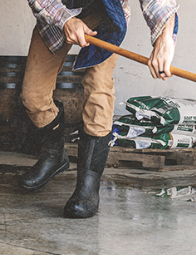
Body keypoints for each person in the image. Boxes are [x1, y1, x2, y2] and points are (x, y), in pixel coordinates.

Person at [17, 0, 179, 218]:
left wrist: (165, 38)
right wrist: (65, 20)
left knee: (98, 89)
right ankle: (54, 156)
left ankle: (88, 186)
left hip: (106, 15)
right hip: (57, 12)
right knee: (32, 96)